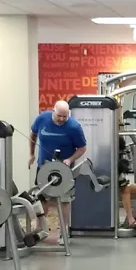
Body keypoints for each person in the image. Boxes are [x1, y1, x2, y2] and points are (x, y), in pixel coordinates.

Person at [29, 100, 87, 244]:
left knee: (64, 200)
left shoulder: (74, 127)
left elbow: (82, 148)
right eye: (59, 115)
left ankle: (63, 232)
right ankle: (40, 229)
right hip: (44, 166)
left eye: (65, 116)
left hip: (63, 169)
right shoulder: (42, 119)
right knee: (42, 199)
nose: (61, 119)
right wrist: (31, 154)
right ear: (53, 111)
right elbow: (33, 134)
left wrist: (70, 159)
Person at [117, 136, 136, 228]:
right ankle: (131, 220)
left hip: (118, 181)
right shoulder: (108, 153)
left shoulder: (118, 155)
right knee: (125, 189)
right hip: (109, 183)